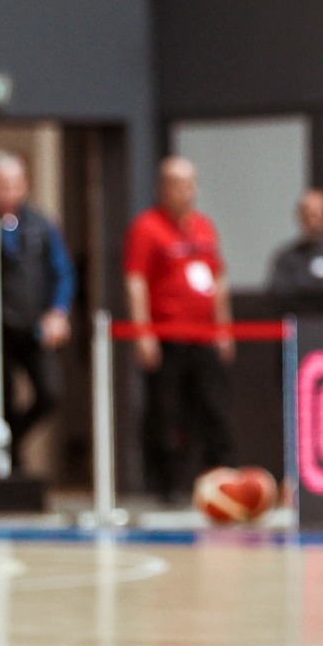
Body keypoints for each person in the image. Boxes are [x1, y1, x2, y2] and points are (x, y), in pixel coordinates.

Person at [124, 157, 234, 505]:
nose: (185, 191)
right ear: (163, 187)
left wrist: (224, 328)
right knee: (167, 412)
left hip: (203, 336)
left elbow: (218, 279)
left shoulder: (204, 227)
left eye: (190, 184)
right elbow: (135, 281)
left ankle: (220, 481)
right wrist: (144, 332)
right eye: (177, 184)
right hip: (167, 336)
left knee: (211, 408)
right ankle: (166, 485)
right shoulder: (146, 227)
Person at [0, 151, 74, 456]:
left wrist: (58, 312)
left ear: (24, 185)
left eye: (12, 184)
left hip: (34, 328)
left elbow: (62, 272)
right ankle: (6, 460)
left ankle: (14, 440)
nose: (6, 193)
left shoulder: (42, 227)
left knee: (51, 393)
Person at [267, 188, 323, 314]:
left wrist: (302, 284)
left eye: (321, 214)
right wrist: (316, 282)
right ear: (300, 217)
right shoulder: (287, 256)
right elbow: (279, 290)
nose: (314, 221)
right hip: (299, 321)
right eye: (308, 215)